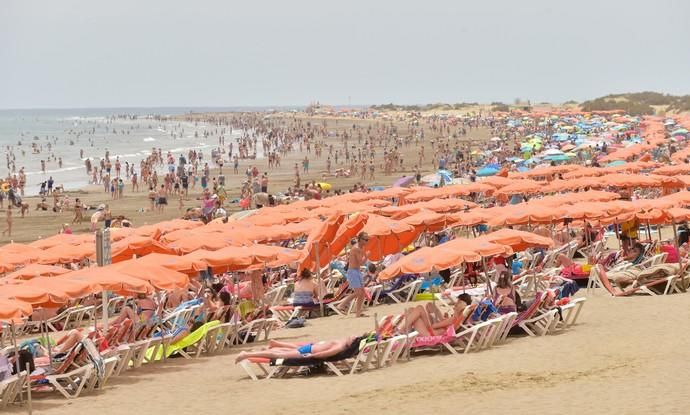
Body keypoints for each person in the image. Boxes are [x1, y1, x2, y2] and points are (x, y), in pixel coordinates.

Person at [234, 334, 364, 363]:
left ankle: (247, 354)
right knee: (279, 354)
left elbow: (325, 353)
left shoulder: (340, 346)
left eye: (353, 337)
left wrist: (311, 356)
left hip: (308, 351)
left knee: (279, 354)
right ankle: (246, 354)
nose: (352, 335)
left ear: (352, 342)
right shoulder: (342, 343)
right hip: (309, 349)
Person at [403, 293, 473, 336]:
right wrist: (444, 319)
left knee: (419, 308)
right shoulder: (456, 318)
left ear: (464, 305)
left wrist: (441, 319)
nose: (456, 304)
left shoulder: (454, 319)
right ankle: (406, 331)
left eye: (459, 302)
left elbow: (433, 326)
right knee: (412, 309)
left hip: (429, 334)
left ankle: (403, 330)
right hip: (432, 331)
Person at [346, 232, 369, 317]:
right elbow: (360, 263)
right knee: (358, 292)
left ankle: (358, 313)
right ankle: (341, 305)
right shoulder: (356, 248)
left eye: (368, 239)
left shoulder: (360, 247)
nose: (367, 241)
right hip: (353, 271)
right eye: (366, 239)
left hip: (356, 271)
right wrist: (366, 257)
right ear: (360, 239)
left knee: (362, 292)